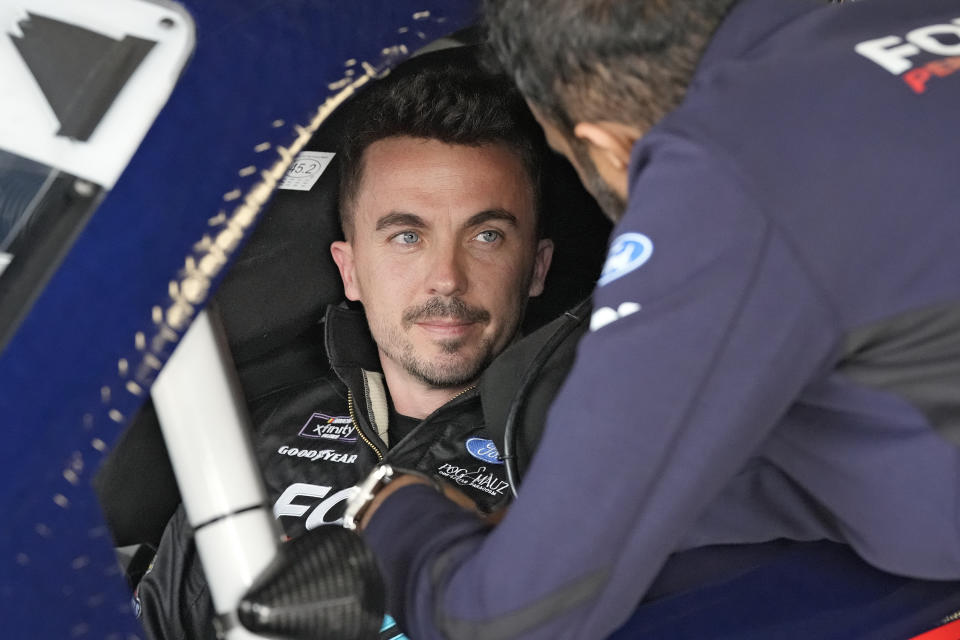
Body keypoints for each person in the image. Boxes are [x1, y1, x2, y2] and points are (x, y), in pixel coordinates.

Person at [354, 1, 960, 638]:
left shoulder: (724, 175)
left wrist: (394, 516)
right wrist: (568, 528)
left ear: (612, 148)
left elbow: (505, 622)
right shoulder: (910, 16)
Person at [135, 51, 553, 640]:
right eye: (408, 236)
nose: (446, 278)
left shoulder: (582, 453)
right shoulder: (252, 439)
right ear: (350, 268)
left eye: (486, 235)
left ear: (536, 268)